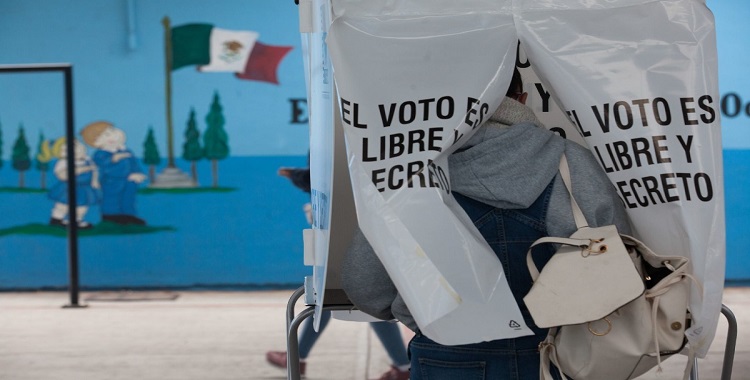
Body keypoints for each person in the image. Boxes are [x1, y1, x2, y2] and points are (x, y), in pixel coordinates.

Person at [341, 68, 632, 379]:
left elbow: (367, 287)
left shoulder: (409, 173)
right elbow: (623, 266)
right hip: (564, 358)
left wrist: (431, 320)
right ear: (521, 99)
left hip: (447, 360)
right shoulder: (575, 164)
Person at [266, 166, 411, 380]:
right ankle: (401, 364)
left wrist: (297, 176)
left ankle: (403, 364)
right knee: (343, 292)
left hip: (348, 218)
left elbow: (326, 171)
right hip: (364, 213)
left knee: (359, 291)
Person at [80, 121, 147, 225]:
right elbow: (101, 166)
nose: (112, 136)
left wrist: (137, 173)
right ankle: (111, 216)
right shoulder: (100, 154)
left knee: (128, 198)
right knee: (112, 199)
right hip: (111, 182)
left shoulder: (125, 151)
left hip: (129, 181)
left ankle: (129, 216)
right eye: (105, 135)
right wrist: (112, 159)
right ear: (96, 142)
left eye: (111, 132)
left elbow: (133, 164)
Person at [47, 137, 101, 229]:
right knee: (63, 205)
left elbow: (95, 170)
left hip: (84, 188)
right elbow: (63, 175)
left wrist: (95, 181)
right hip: (68, 188)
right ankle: (57, 219)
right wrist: (82, 169)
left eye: (78, 148)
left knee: (82, 206)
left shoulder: (88, 160)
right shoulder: (64, 162)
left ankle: (77, 220)